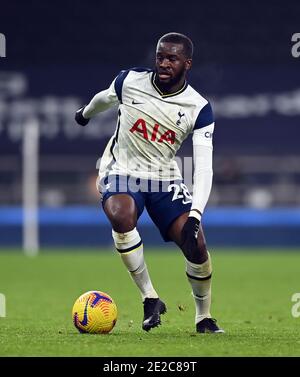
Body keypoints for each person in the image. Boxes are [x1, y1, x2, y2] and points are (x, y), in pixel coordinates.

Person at [75, 32, 224, 334]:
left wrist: (196, 213)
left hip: (164, 178)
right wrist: (84, 114)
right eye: (160, 57)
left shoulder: (198, 108)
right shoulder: (129, 81)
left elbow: (204, 168)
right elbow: (103, 98)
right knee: (121, 214)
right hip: (122, 169)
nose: (164, 63)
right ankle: (150, 298)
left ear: (187, 63)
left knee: (196, 244)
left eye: (172, 58)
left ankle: (203, 317)